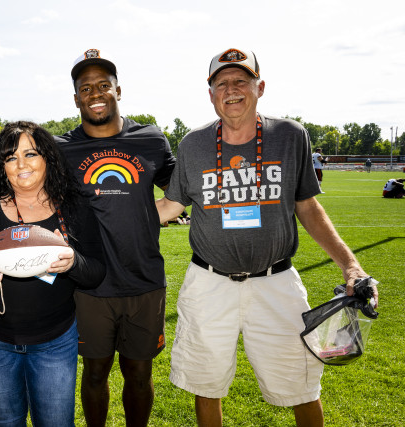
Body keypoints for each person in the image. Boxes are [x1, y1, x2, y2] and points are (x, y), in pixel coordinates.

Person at [156, 48, 379, 427]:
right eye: (221, 83)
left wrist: (351, 266)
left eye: (241, 80)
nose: (231, 90)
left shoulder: (289, 136)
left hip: (276, 282)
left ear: (260, 87)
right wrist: (114, 220)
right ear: (209, 93)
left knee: (301, 382)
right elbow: (171, 206)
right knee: (206, 383)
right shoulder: (193, 144)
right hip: (208, 282)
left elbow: (307, 207)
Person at [0, 121, 106, 426]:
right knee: (6, 422)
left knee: (56, 423)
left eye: (30, 154)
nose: (21, 164)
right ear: (1, 166)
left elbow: (96, 272)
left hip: (55, 340)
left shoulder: (73, 207)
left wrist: (73, 262)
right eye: (10, 158)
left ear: (48, 158)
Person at [54, 49, 176, 427]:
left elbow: (184, 189)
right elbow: (20, 187)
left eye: (103, 85)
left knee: (140, 375)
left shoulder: (151, 140)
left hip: (144, 280)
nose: (95, 93)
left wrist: (150, 217)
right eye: (86, 87)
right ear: (76, 98)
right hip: (91, 283)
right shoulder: (61, 148)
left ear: (118, 90)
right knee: (94, 374)